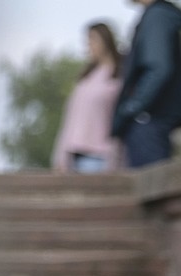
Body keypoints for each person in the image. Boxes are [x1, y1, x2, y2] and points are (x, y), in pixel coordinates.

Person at [112, 0, 181, 168]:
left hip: (149, 120)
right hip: (149, 120)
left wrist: (132, 108)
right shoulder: (157, 15)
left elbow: (159, 68)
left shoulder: (157, 15)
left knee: (149, 185)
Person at [52, 23, 123, 173]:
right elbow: (70, 120)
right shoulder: (85, 80)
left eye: (93, 39)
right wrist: (60, 157)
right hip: (75, 154)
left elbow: (118, 119)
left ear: (105, 41)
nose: (88, 45)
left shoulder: (117, 78)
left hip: (101, 155)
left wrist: (115, 157)